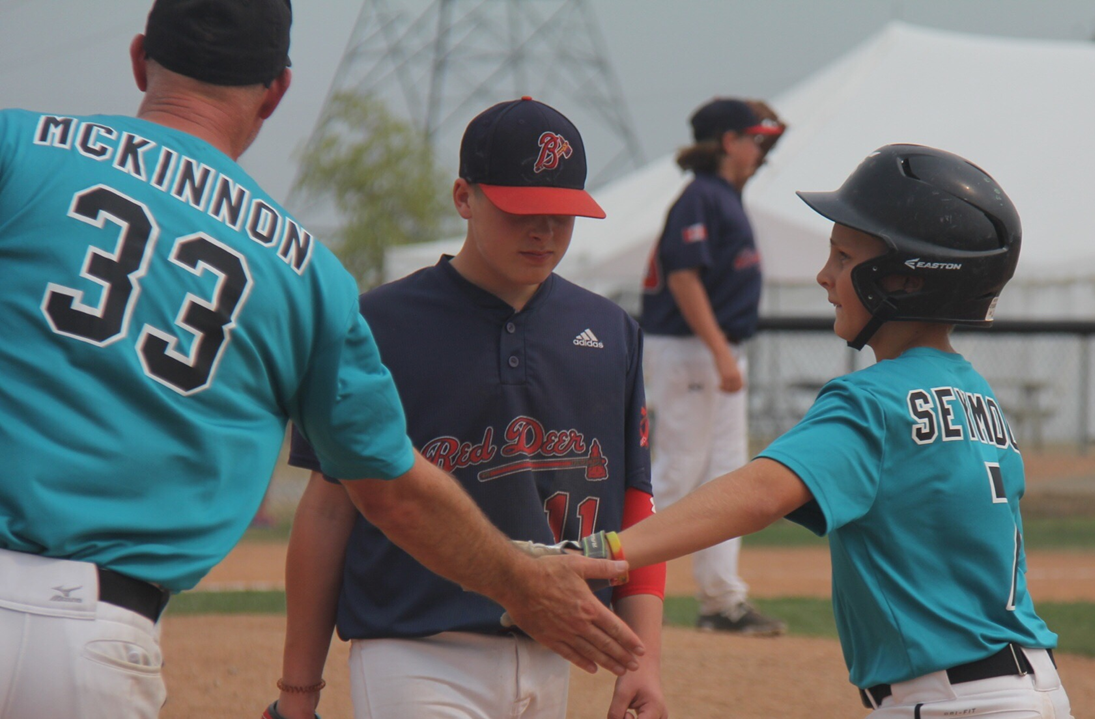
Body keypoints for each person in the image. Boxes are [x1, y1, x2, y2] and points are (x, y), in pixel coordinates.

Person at [0, 3, 644, 718]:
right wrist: (520, 580)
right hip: (99, 639)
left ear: (139, 56)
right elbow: (389, 491)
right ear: (276, 90)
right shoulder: (303, 271)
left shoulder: (19, 147)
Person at [614, 144, 1074, 717]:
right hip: (1031, 688)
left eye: (842, 256)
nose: (824, 275)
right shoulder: (979, 395)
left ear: (903, 280)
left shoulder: (873, 400)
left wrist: (606, 550)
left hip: (955, 701)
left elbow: (759, 494)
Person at [271, 97, 668, 719]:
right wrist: (298, 693)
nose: (544, 232)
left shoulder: (609, 331)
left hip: (552, 650)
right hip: (414, 650)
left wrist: (644, 661)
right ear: (464, 196)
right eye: (523, 212)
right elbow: (328, 510)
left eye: (562, 213)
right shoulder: (376, 325)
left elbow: (635, 508)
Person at [639, 97, 787, 634]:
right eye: (753, 139)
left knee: (726, 478)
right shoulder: (701, 197)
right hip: (692, 348)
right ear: (728, 142)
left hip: (713, 351)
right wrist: (722, 353)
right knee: (677, 471)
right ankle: (601, 575)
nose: (761, 150)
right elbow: (683, 277)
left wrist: (769, 122)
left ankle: (720, 602)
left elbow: (769, 139)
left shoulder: (722, 195)